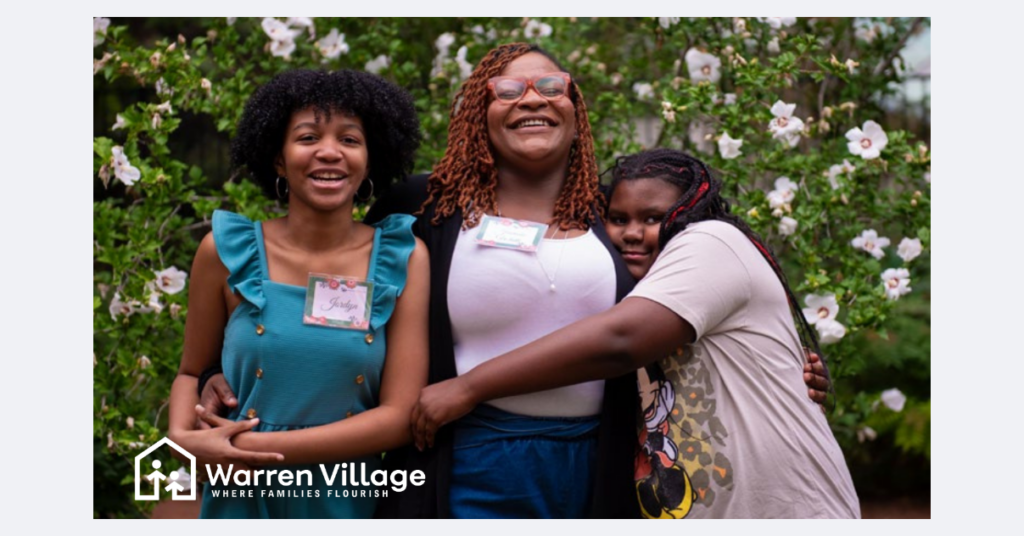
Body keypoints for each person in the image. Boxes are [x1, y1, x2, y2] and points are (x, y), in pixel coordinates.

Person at [199, 43, 829, 519]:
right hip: (465, 455)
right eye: (508, 89)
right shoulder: (422, 207)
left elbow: (688, 311)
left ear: (575, 110)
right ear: (479, 113)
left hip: (600, 458)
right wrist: (218, 370)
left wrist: (782, 364)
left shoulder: (615, 219)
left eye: (550, 85)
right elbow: (325, 280)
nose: (532, 98)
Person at [410, 148, 860, 518]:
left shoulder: (711, 241)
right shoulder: (640, 288)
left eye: (654, 217)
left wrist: (469, 386)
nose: (632, 234)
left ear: (692, 212)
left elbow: (618, 341)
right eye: (618, 218)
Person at [167, 69, 429, 519]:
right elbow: (191, 372)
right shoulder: (227, 251)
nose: (329, 152)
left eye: (350, 140)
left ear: (370, 159)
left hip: (342, 497)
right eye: (308, 137)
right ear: (278, 158)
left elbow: (400, 414)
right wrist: (183, 440)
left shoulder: (402, 259)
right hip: (229, 491)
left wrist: (252, 450)